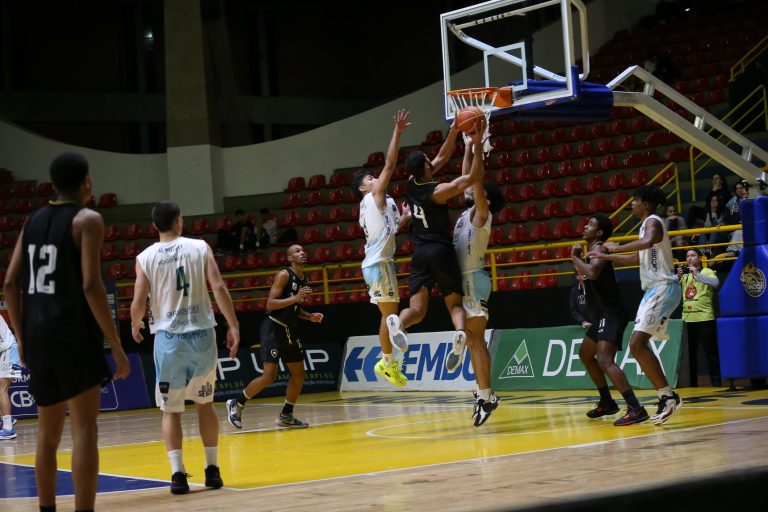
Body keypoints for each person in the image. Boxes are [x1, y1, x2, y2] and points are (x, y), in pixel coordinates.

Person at [3, 151, 131, 511]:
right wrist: (116, 345)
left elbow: (10, 283)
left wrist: (22, 337)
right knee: (85, 430)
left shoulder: (32, 220)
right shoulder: (88, 219)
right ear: (87, 181)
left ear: (53, 184)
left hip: (39, 337)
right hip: (74, 336)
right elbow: (91, 286)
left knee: (47, 435)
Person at [130, 200, 240, 495]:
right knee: (205, 404)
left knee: (171, 411)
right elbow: (219, 286)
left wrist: (135, 324)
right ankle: (212, 470)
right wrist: (233, 325)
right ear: (179, 220)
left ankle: (178, 475)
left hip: (168, 340)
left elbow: (138, 300)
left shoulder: (145, 257)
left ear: (154, 226)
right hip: (202, 335)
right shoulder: (200, 247)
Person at [385, 115, 484, 376]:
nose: (433, 160)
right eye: (429, 161)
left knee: (417, 310)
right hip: (440, 250)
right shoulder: (438, 192)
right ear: (427, 167)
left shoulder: (411, 183)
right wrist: (477, 144)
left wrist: (454, 129)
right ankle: (460, 332)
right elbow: (473, 176)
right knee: (454, 304)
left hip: (419, 253)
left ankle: (399, 323)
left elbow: (442, 155)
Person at [588, 185, 683, 426]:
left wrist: (617, 247)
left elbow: (647, 241)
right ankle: (666, 396)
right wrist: (608, 256)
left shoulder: (653, 222)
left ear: (647, 204)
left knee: (636, 344)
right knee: (638, 345)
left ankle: (667, 397)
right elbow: (636, 258)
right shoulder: (644, 226)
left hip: (662, 287)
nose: (632, 204)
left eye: (636, 200)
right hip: (653, 290)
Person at [226, 244, 323, 430]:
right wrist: (295, 298)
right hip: (273, 329)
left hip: (290, 330)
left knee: (299, 375)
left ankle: (286, 415)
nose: (302, 252)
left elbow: (294, 308)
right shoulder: (284, 275)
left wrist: (309, 316)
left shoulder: (304, 279)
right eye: (297, 251)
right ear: (290, 258)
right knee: (269, 376)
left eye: (303, 250)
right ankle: (237, 403)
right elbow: (270, 304)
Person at [352, 109, 413, 387]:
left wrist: (404, 218)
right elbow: (390, 163)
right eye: (369, 179)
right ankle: (387, 362)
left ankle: (387, 363)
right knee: (391, 317)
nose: (374, 178)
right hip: (379, 264)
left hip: (376, 263)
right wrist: (397, 132)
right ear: (363, 189)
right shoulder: (373, 197)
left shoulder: (384, 202)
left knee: (387, 316)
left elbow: (390, 228)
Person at [573, 214, 647, 426]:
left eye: (590, 224)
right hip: (600, 314)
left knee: (604, 360)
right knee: (585, 354)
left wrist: (575, 258)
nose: (585, 226)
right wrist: (579, 260)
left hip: (611, 312)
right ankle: (607, 402)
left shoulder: (600, 248)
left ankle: (636, 408)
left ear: (599, 232)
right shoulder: (592, 251)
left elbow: (593, 273)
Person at [452, 134, 504, 426]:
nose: (469, 188)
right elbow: (466, 178)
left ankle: (486, 396)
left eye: (476, 189)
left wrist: (479, 154)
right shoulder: (466, 213)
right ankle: (483, 392)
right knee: (474, 341)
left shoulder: (482, 214)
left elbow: (475, 178)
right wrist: (469, 147)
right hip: (465, 280)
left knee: (476, 341)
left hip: (473, 279)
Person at [677, 248, 721, 387]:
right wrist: (677, 278)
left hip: (705, 318)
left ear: (700, 258)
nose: (689, 258)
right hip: (687, 319)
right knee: (689, 355)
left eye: (693, 255)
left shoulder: (707, 271)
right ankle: (692, 383)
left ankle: (716, 382)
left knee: (711, 353)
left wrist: (697, 274)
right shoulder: (684, 275)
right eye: (687, 256)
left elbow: (715, 283)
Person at [0, 313, 21, 440]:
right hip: (3, 351)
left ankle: (8, 429)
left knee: (1, 388)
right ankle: (7, 417)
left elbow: (2, 343)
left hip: (7, 350)